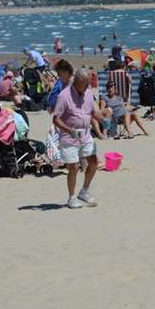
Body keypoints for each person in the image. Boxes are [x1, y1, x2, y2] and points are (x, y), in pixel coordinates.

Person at [52, 65, 99, 209]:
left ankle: (84, 191)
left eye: (88, 84)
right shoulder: (64, 96)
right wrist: (68, 129)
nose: (87, 87)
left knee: (93, 162)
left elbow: (92, 112)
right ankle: (71, 198)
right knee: (73, 167)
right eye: (85, 84)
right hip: (69, 137)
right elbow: (56, 118)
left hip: (85, 135)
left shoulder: (89, 93)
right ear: (78, 82)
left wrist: (103, 117)